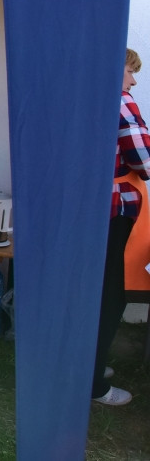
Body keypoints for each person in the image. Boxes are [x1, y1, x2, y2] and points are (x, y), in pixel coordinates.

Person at [92, 48, 150, 405]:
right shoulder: (120, 100)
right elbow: (143, 160)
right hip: (115, 216)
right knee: (111, 297)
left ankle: (87, 364)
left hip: (93, 214)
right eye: (130, 71)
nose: (133, 80)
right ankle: (93, 383)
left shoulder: (89, 98)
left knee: (93, 294)